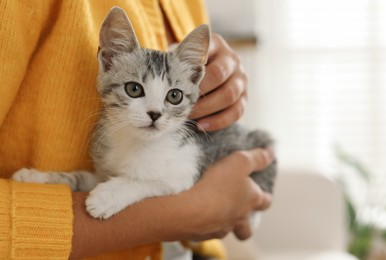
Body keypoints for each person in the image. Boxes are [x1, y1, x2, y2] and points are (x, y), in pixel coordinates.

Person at [0, 1, 273, 259]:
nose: (155, 111)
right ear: (107, 62)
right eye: (135, 89)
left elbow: (161, 181)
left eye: (173, 96)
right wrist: (187, 212)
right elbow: (107, 185)